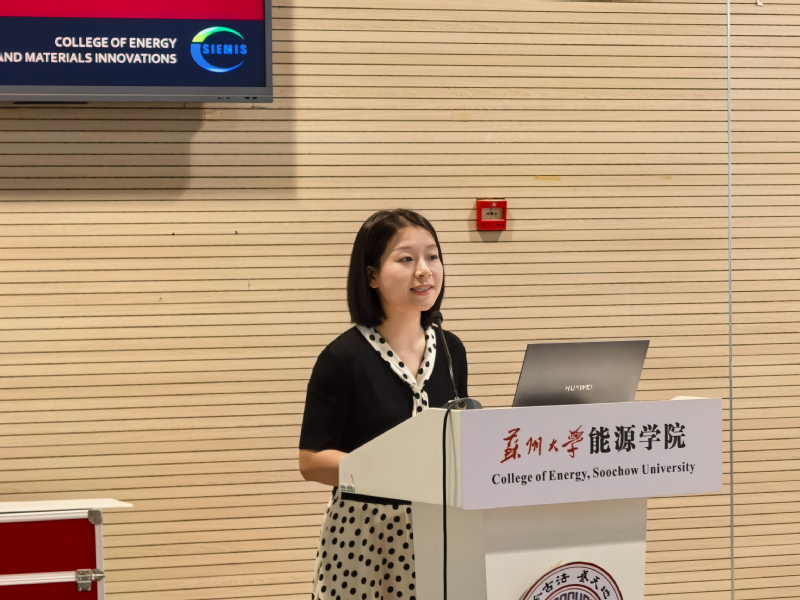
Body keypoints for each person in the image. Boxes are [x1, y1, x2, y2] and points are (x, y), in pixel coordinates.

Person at [299, 209, 468, 600]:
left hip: (438, 526)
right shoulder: (342, 358)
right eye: (406, 259)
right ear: (371, 276)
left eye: (432, 256)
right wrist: (390, 470)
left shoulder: (451, 349)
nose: (424, 271)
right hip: (363, 533)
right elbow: (311, 461)